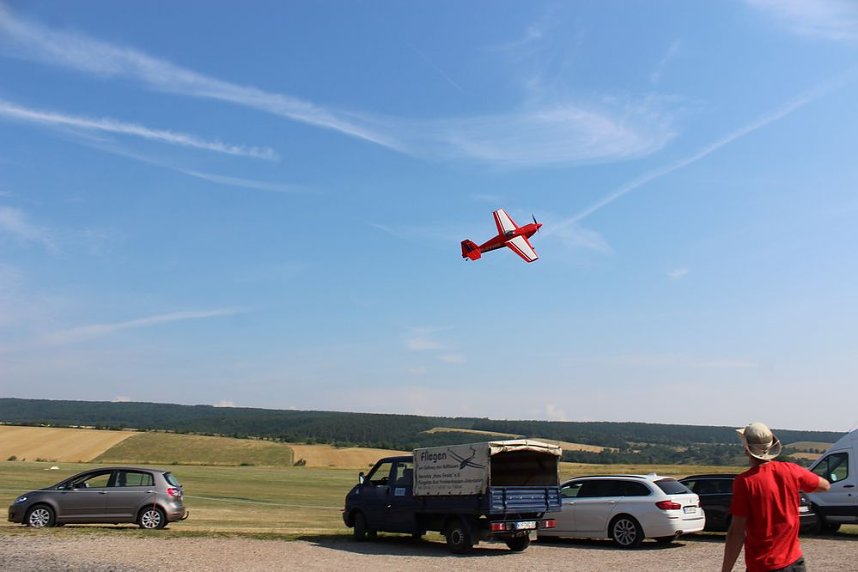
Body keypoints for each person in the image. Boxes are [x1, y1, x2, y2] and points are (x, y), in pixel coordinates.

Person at [721, 422, 830, 572]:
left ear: (747, 449)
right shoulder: (791, 470)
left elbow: (736, 532)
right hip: (794, 562)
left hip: (763, 566)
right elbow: (825, 485)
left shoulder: (745, 482)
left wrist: (725, 569)